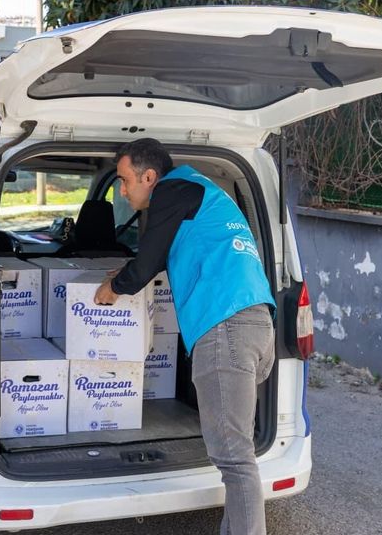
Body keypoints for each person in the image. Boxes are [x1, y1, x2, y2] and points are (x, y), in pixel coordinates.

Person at [94, 138, 276, 535]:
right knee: (237, 457)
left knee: (235, 460)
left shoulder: (171, 191)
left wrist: (113, 289)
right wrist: (126, 272)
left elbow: (145, 267)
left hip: (226, 330)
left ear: (149, 176)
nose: (122, 191)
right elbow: (156, 256)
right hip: (256, 325)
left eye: (124, 181)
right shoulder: (198, 191)